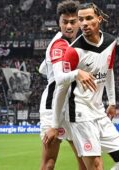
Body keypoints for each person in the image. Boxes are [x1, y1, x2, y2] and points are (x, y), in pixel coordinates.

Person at [44, 2, 119, 170]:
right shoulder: (73, 51)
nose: (84, 23)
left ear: (99, 19)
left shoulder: (110, 42)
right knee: (95, 166)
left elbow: (109, 70)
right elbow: (61, 86)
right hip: (79, 113)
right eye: (81, 19)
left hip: (99, 111)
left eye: (89, 18)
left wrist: (112, 102)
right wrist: (55, 125)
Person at [39, 1, 88, 170]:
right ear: (58, 23)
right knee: (49, 163)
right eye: (64, 22)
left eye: (73, 21)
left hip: (72, 107)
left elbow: (42, 69)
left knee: (85, 160)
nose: (68, 26)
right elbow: (60, 78)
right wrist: (76, 74)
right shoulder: (59, 44)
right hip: (52, 108)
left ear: (79, 22)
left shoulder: (75, 43)